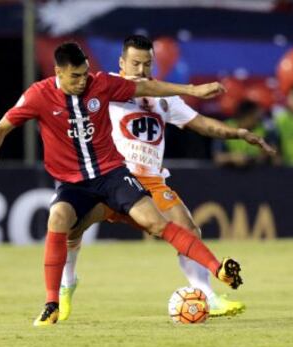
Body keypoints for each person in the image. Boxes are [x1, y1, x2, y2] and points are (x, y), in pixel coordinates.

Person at [0, 41, 241, 327]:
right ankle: (52, 301)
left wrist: (191, 90)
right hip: (73, 184)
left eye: (85, 73)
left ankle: (218, 269)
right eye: (75, 76)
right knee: (60, 219)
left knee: (156, 222)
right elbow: (3, 126)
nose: (82, 81)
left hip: (112, 174)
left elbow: (147, 88)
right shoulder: (38, 95)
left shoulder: (101, 84)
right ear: (58, 73)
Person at [58, 36, 276, 321]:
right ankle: (67, 282)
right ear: (121, 63)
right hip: (110, 177)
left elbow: (202, 124)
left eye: (147, 64)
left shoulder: (164, 98)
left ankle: (207, 296)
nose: (141, 69)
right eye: (135, 63)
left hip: (149, 182)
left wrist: (238, 133)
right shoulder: (105, 85)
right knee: (71, 226)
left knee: (187, 228)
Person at [213, 99, 278, 168]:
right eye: (256, 117)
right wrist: (231, 158)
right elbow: (217, 158)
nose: (258, 121)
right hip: (230, 173)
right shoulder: (225, 128)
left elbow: (275, 157)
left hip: (257, 173)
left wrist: (266, 155)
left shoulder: (264, 129)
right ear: (246, 116)